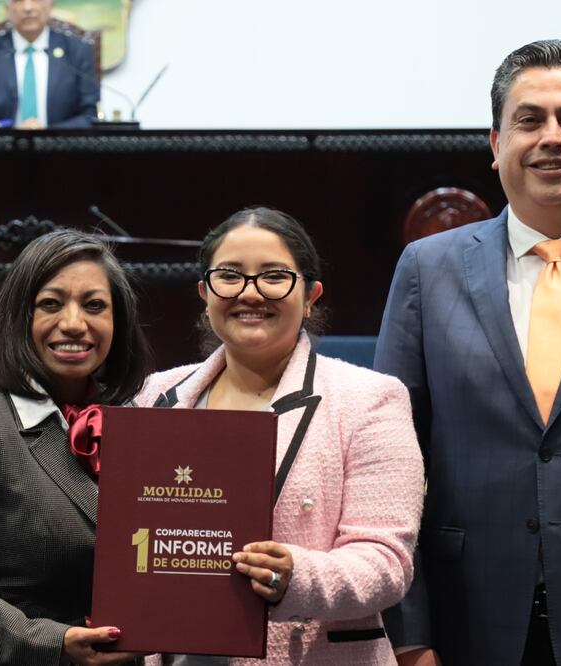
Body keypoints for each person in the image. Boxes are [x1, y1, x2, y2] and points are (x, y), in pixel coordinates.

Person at [375, 39, 561, 666]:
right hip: (469, 616)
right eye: (529, 120)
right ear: (495, 145)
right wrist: (409, 635)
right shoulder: (427, 270)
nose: (552, 138)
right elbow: (388, 464)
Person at [134, 208, 425, 664]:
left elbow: (386, 563)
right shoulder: (156, 394)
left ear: (310, 296)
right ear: (204, 293)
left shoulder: (370, 398)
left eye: (273, 277)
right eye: (229, 276)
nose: (250, 293)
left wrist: (296, 578)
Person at [0, 229, 151, 665]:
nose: (74, 323)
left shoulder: (141, 429)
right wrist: (53, 643)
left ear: (119, 322)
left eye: (94, 305)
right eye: (51, 304)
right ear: (21, 317)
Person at [0, 0, 99, 129]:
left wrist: (47, 133)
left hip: (61, 149)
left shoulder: (77, 50)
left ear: (51, 5)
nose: (28, 7)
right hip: (2, 148)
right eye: (18, 0)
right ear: (8, 8)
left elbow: (90, 114)